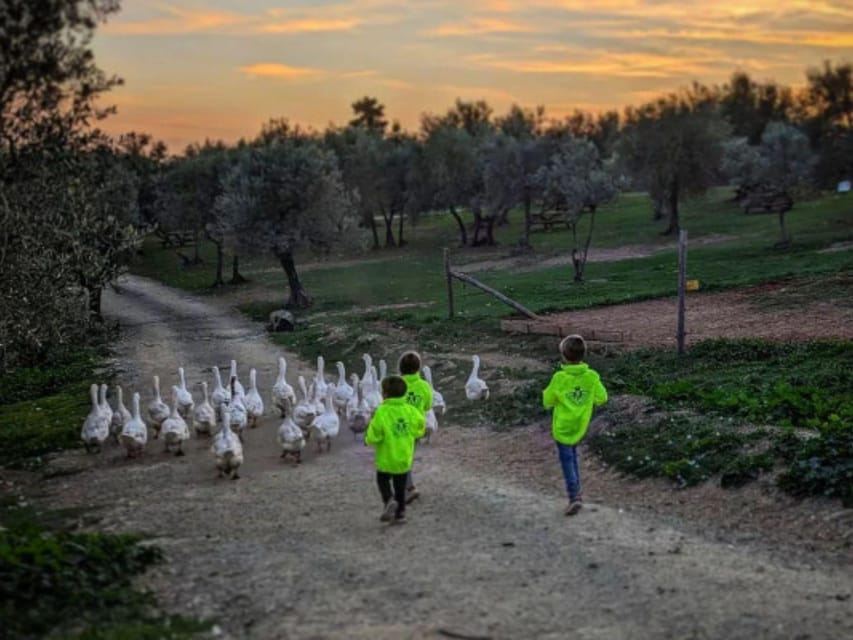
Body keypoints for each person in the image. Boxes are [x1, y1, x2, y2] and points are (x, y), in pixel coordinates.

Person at [542, 334, 608, 516]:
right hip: (581, 425)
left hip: (563, 426)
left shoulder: (559, 378)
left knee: (567, 459)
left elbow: (547, 401)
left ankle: (574, 497)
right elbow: (602, 398)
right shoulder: (592, 377)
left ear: (564, 355)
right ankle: (577, 491)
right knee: (573, 456)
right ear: (584, 354)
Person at [364, 375, 426, 524]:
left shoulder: (382, 411)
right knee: (400, 486)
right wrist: (414, 434)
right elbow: (420, 425)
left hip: (386, 458)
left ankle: (388, 500)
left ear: (384, 394)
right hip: (404, 458)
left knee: (382, 480)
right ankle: (400, 515)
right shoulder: (410, 410)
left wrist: (369, 440)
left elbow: (375, 432)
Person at [398, 351, 433, 503]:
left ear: (400, 368)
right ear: (418, 368)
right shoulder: (424, 386)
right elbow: (428, 405)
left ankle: (409, 489)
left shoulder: (396, 383)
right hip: (417, 427)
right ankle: (409, 487)